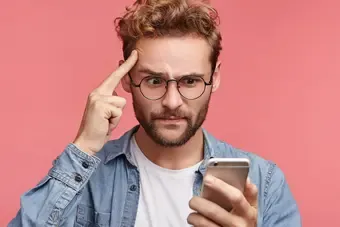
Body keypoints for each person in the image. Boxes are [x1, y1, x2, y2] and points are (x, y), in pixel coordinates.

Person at [8, 0, 301, 226]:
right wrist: (83, 147)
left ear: (216, 78)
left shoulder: (266, 182)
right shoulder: (86, 178)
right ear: (126, 78)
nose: (172, 102)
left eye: (190, 81)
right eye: (154, 81)